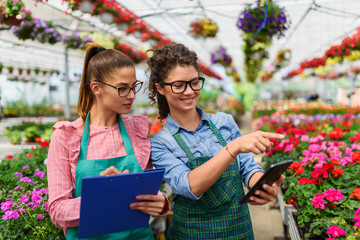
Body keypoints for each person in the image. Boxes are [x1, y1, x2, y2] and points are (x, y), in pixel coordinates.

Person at [146, 43, 285, 240]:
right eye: (178, 85)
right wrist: (233, 148)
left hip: (239, 231)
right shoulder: (160, 142)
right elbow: (189, 186)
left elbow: (247, 166)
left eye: (194, 82)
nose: (189, 91)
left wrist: (261, 186)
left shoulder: (223, 121)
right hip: (192, 234)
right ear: (160, 88)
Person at [47, 43, 170, 240]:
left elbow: (148, 188)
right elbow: (57, 209)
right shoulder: (67, 136)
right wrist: (101, 197)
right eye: (122, 89)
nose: (131, 96)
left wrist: (160, 201)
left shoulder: (136, 129)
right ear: (96, 88)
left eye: (133, 87)